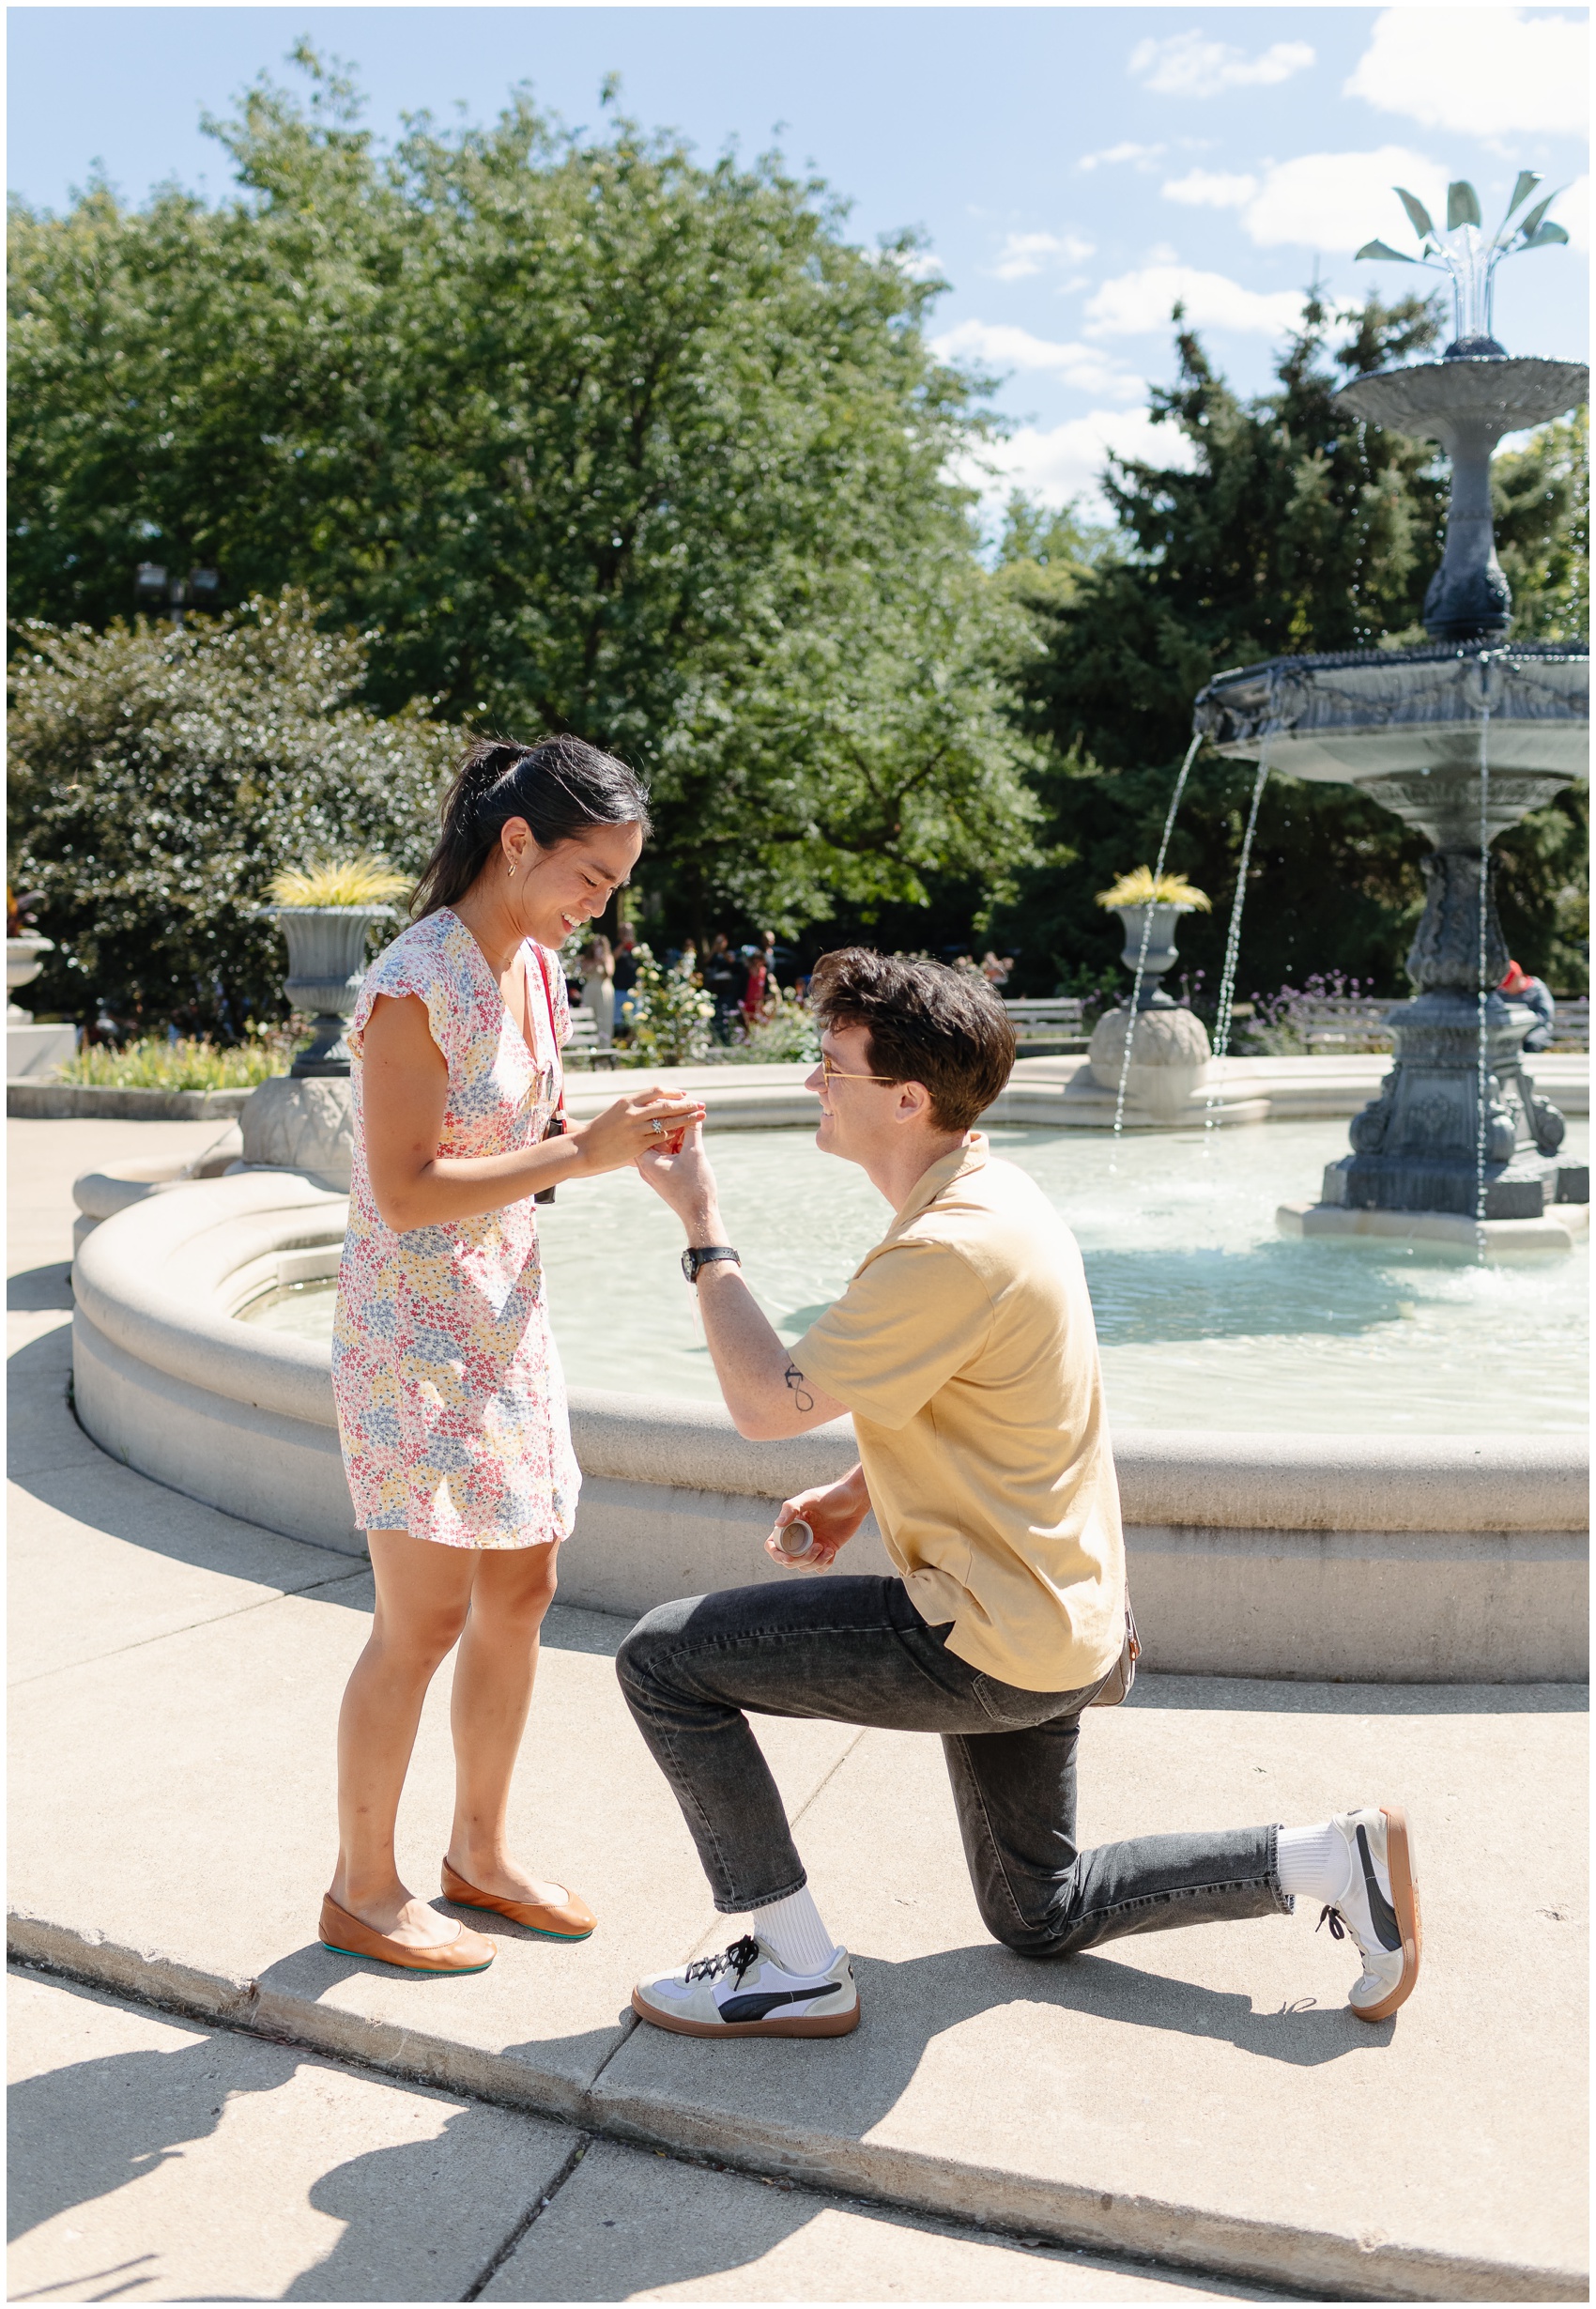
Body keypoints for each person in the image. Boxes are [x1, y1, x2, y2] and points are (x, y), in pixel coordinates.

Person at [618, 948, 1421, 2037]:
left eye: (829, 1064)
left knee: (663, 1659)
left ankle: (791, 1959)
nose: (812, 1081)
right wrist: (862, 1488)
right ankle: (1330, 1855)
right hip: (1064, 1621)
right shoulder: (994, 1193)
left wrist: (702, 1228)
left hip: (985, 1633)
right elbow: (994, 1399)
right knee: (1037, 1911)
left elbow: (766, 1402)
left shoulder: (948, 1245)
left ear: (904, 1098)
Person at [324, 734, 704, 1975]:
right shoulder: (413, 979)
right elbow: (405, 1185)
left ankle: (477, 1853)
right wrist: (578, 1155)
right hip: (410, 1336)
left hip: (502, 1313)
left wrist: (618, 1135)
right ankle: (361, 1885)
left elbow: (527, 1130)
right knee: (422, 1616)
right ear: (519, 841)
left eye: (617, 880)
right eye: (592, 873)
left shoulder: (535, 968)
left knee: (523, 1589)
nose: (603, 901)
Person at [1500, 959, 1556, 1054]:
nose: (1507, 989)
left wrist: (1524, 1029)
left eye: (1509, 984)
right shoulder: (1501, 993)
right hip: (1510, 1032)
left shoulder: (1537, 988)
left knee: (1532, 1042)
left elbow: (1545, 1015)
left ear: (1517, 977)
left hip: (1536, 1030)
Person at [579, 933, 616, 1046]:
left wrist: (602, 961)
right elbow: (583, 973)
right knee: (588, 1018)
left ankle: (604, 1047)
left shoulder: (608, 958)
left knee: (604, 1019)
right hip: (590, 990)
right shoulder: (587, 959)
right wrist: (595, 961)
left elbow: (608, 974)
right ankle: (588, 1047)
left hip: (604, 990)